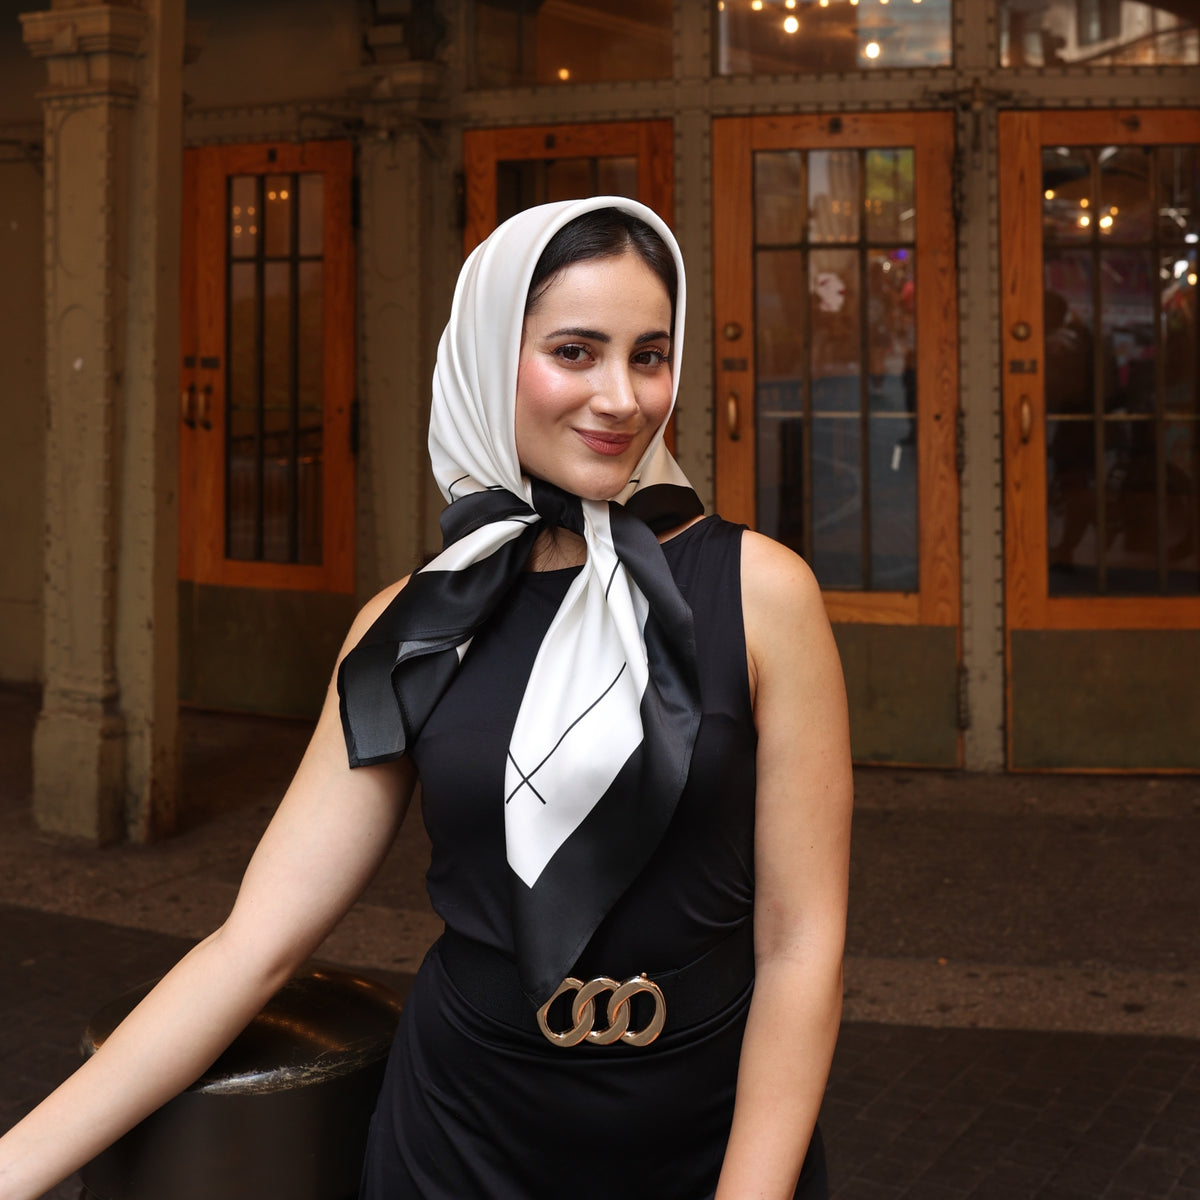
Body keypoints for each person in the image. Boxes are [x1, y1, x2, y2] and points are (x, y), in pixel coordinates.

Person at [0, 196, 852, 1200]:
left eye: (650, 356)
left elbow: (802, 947)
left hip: (705, 1129)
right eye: (575, 352)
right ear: (490, 358)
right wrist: (16, 1166)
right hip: (458, 1136)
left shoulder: (761, 594)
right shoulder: (413, 623)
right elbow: (253, 947)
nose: (622, 397)